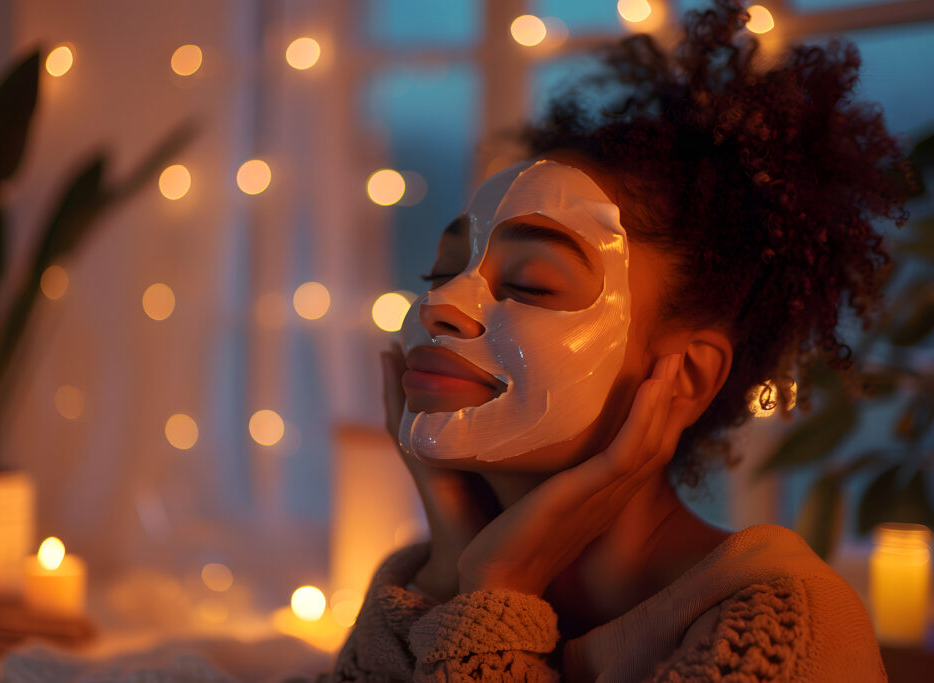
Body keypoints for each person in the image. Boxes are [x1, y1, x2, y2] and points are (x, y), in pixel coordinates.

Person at [328, 1, 911, 680]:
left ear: (686, 376)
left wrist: (493, 596)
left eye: (532, 283)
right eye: (443, 269)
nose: (438, 304)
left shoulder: (788, 622)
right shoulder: (421, 578)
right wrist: (449, 571)